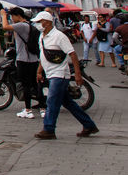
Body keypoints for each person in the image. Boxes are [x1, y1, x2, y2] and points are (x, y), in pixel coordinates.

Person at [32, 11, 98, 140]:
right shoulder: (42, 37)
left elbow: (72, 54)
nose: (37, 25)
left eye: (39, 22)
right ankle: (89, 125)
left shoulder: (59, 36)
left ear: (47, 22)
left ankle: (49, 129)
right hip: (50, 73)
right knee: (68, 103)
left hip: (60, 74)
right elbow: (43, 56)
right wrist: (39, 71)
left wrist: (78, 74)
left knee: (51, 101)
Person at [0, 6, 45, 119]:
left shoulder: (21, 25)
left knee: (26, 86)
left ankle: (28, 110)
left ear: (18, 16)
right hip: (34, 60)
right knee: (36, 85)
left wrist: (3, 15)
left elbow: (5, 27)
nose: (11, 19)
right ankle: (43, 109)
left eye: (12, 16)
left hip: (24, 60)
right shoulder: (29, 25)